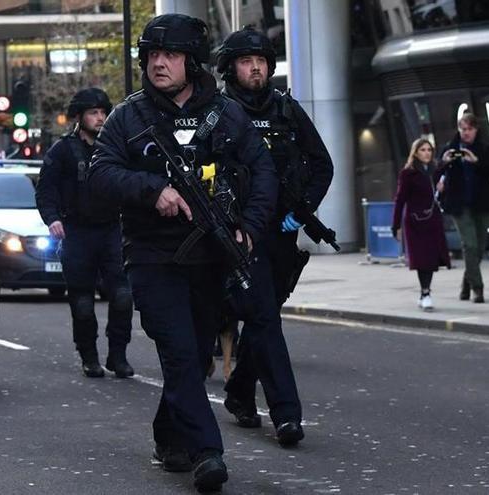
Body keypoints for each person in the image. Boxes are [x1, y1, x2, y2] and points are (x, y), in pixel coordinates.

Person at [88, 14, 276, 492]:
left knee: (193, 353)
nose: (158, 63)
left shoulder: (227, 113)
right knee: (177, 351)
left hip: (211, 256)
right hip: (152, 256)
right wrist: (153, 190)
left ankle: (168, 435)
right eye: (151, 55)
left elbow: (262, 172)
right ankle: (207, 452)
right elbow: (101, 172)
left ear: (190, 62)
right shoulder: (128, 116)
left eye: (168, 55)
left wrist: (250, 230)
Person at [214, 26, 333, 446]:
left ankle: (239, 394)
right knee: (264, 317)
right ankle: (287, 414)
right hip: (240, 235)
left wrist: (302, 212)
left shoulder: (287, 110)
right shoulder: (217, 111)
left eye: (261, 61)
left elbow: (322, 165)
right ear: (231, 68)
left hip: (281, 234)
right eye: (247, 62)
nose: (256, 68)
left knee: (261, 318)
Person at [35, 88, 134, 379]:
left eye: (104, 112)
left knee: (123, 296)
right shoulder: (63, 150)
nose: (100, 118)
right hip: (76, 232)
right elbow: (46, 190)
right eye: (94, 113)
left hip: (112, 230)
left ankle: (118, 355)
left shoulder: (116, 147)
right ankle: (89, 356)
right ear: (79, 117)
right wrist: (52, 219)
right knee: (82, 301)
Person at [437, 112, 489, 303]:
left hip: (481, 203)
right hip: (459, 204)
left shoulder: (485, 147)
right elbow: (437, 172)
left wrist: (476, 162)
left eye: (469, 129)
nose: (466, 133)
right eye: (463, 129)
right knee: (469, 245)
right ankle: (477, 289)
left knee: (479, 248)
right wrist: (444, 162)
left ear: (475, 130)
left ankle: (466, 284)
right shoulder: (450, 147)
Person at [391, 138, 451, 311]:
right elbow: (400, 199)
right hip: (415, 222)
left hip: (432, 220)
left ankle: (425, 292)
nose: (427, 153)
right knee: (421, 259)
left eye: (429, 150)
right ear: (416, 153)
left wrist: (442, 189)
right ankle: (425, 293)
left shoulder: (436, 170)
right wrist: (396, 225)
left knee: (431, 260)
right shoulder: (408, 173)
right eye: (423, 150)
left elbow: (442, 193)